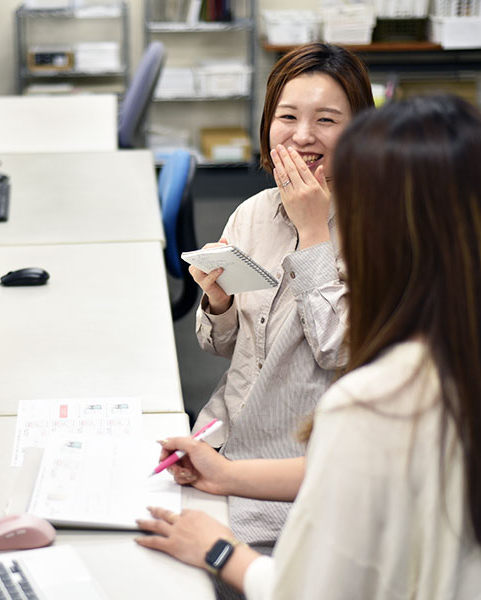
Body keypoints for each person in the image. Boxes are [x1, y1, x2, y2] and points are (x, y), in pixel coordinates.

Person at [136, 93, 481, 598]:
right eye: (287, 117)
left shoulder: (378, 400)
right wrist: (228, 474)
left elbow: (304, 589)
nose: (302, 137)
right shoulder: (451, 353)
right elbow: (363, 462)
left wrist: (217, 550)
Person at [188, 42, 374, 549]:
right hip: (222, 438)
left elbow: (342, 350)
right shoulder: (253, 212)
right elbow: (222, 348)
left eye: (327, 120)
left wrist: (315, 233)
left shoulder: (380, 228)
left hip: (296, 475)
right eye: (287, 116)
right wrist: (219, 304)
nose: (302, 135)